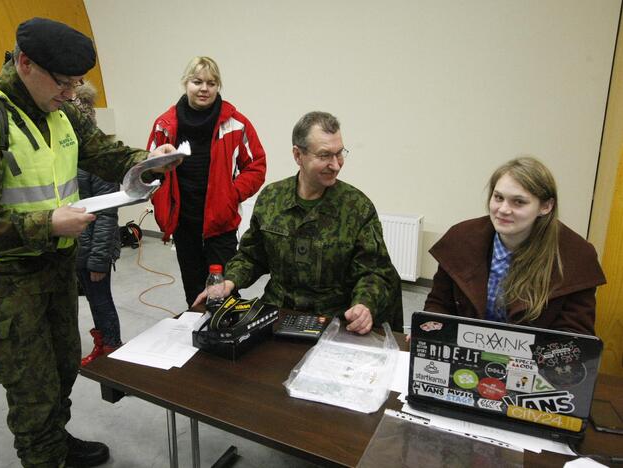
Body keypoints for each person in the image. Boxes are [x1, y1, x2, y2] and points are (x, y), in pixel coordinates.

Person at [0, 18, 178, 468]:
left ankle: (57, 441)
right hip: (4, 280)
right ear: (25, 64)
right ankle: (42, 456)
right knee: (31, 389)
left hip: (55, 269)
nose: (71, 92)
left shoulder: (60, 109)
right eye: (64, 83)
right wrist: (47, 223)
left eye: (77, 84)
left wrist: (148, 162)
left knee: (65, 366)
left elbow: (103, 152)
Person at [194, 111, 403, 334]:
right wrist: (230, 281)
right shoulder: (272, 199)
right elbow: (252, 256)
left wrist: (363, 305)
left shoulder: (356, 207)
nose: (335, 165)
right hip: (277, 312)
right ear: (297, 155)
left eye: (339, 153)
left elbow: (374, 271)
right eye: (324, 156)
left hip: (334, 320)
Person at [424, 156, 606, 335]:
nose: (503, 209)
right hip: (464, 352)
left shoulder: (576, 255)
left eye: (518, 202)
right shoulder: (461, 238)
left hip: (533, 361)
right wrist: (430, 331)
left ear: (546, 206)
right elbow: (438, 304)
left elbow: (574, 335)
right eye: (498, 197)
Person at [146, 56, 266, 307]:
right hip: (183, 223)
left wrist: (231, 195)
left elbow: (256, 166)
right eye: (197, 81)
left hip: (220, 222)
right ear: (185, 83)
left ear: (218, 86)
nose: (204, 88)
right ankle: (201, 338)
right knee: (193, 290)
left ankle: (225, 336)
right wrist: (161, 203)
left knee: (223, 292)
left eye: (211, 83)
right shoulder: (164, 125)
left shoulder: (236, 124)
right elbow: (149, 170)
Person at [72, 82, 123, 366]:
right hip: (75, 245)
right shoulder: (66, 149)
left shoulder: (97, 153)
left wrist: (98, 259)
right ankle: (102, 344)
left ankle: (113, 350)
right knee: (92, 301)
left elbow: (106, 211)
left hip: (94, 249)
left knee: (101, 301)